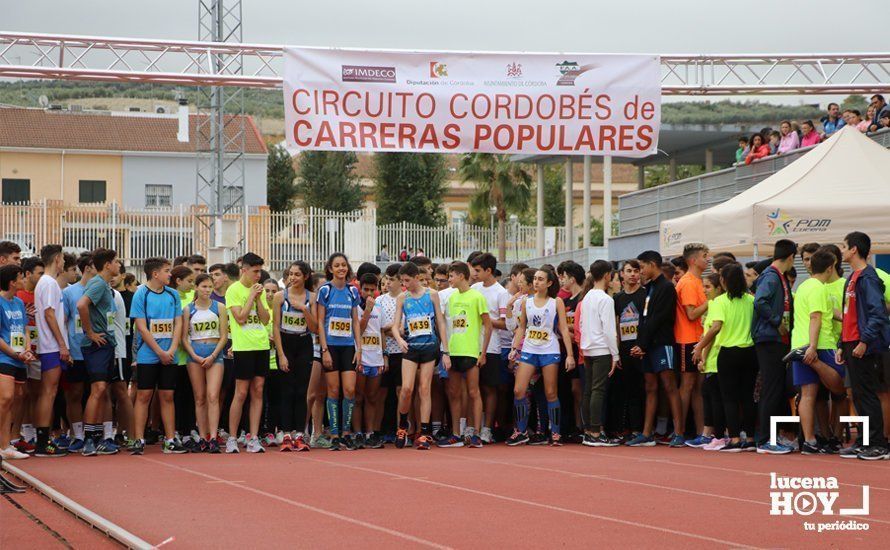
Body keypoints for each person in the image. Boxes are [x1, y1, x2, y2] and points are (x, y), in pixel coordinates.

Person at [786, 250, 846, 455]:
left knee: (808, 395)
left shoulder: (804, 286)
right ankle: (814, 362)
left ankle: (810, 441)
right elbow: (816, 317)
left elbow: (831, 312)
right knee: (840, 388)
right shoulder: (820, 288)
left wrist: (850, 320)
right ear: (830, 268)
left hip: (799, 343)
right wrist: (812, 347)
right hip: (819, 344)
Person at [838, 232, 890, 460]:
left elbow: (878, 314)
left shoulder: (868, 278)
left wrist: (864, 341)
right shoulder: (852, 277)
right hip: (850, 342)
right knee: (857, 395)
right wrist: (842, 343)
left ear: (854, 250)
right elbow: (849, 314)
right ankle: (864, 440)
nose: (841, 250)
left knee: (867, 394)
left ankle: (878, 443)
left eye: (843, 246)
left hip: (863, 344)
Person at [694, 263, 756, 452]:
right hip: (750, 352)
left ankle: (735, 438)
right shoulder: (751, 300)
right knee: (747, 397)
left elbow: (716, 327)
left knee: (729, 398)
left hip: (728, 352)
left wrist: (700, 347)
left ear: (723, 281)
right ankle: (751, 437)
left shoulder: (720, 302)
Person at [508, 268, 574, 446]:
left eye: (541, 279)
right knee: (518, 390)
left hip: (549, 350)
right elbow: (522, 327)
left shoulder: (556, 302)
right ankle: (521, 431)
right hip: (529, 349)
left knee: (550, 392)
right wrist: (515, 348)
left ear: (550, 283)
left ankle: (556, 433)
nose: (536, 282)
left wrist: (570, 355)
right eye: (535, 279)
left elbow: (563, 329)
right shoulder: (526, 302)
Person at [130, 257, 186, 455]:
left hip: (170, 354)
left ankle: (170, 439)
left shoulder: (172, 295)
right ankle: (138, 439)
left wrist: (171, 349)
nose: (170, 274)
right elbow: (141, 327)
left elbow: (178, 323)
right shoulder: (141, 294)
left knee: (167, 395)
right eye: (166, 271)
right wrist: (159, 352)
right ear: (155, 274)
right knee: (144, 395)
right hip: (148, 354)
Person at [627, 251, 683, 447]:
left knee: (669, 386)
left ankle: (679, 432)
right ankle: (646, 433)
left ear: (652, 264)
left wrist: (642, 343)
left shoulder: (667, 287)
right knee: (650, 387)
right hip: (647, 345)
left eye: (642, 267)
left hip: (663, 343)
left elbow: (660, 318)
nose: (640, 271)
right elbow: (643, 319)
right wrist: (640, 344)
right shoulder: (648, 288)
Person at [392, 262, 450, 450]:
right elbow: (395, 324)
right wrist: (399, 339)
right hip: (410, 348)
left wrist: (445, 351)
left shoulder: (432, 295)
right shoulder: (402, 297)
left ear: (417, 277)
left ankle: (424, 433)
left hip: (429, 347)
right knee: (407, 389)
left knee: (425, 388)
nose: (405, 284)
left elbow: (440, 322)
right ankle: (402, 426)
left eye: (407, 280)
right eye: (402, 281)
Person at [438, 262, 491, 448]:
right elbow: (448, 325)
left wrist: (482, 352)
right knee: (454, 393)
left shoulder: (477, 297)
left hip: (471, 351)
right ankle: (456, 434)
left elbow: (488, 325)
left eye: (451, 276)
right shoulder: (451, 298)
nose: (449, 280)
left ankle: (476, 434)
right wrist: (446, 351)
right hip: (454, 351)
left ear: (461, 276)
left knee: (473, 392)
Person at [752, 239, 797, 454]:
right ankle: (765, 440)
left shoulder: (777, 277)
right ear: (790, 257)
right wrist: (777, 320)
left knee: (776, 389)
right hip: (769, 339)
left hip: (776, 339)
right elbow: (759, 302)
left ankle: (771, 436)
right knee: (771, 389)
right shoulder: (771, 276)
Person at [76, 248, 121, 456]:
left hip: (106, 343)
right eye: (117, 262)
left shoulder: (104, 285)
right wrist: (90, 332)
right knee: (99, 388)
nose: (119, 265)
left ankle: (99, 438)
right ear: (107, 265)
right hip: (97, 344)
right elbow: (81, 305)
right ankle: (88, 439)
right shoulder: (97, 283)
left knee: (103, 390)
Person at [224, 253, 271, 454]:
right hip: (243, 347)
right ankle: (233, 438)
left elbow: (266, 319)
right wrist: (251, 295)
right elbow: (240, 318)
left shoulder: (259, 291)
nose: (258, 275)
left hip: (261, 345)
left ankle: (253, 437)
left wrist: (259, 299)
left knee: (258, 390)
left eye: (260, 271)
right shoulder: (234, 290)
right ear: (244, 270)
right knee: (241, 392)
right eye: (255, 271)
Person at [316, 253, 362, 451]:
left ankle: (346, 432)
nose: (341, 268)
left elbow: (355, 321)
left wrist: (359, 348)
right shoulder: (325, 290)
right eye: (337, 265)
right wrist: (324, 349)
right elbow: (319, 321)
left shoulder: (353, 291)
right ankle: (334, 433)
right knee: (333, 390)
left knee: (350, 390)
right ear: (330, 268)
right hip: (331, 347)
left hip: (348, 347)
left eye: (344, 265)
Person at [181, 273, 229, 453]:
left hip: (215, 354)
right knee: (200, 397)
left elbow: (224, 335)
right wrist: (194, 355)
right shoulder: (188, 309)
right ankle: (202, 437)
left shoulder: (220, 307)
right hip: (195, 354)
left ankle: (213, 437)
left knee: (213, 396)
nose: (207, 290)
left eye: (210, 287)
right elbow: (184, 337)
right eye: (204, 287)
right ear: (196, 288)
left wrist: (213, 355)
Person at [271, 261, 316, 452]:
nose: (293, 278)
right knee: (287, 391)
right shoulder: (280, 297)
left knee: (301, 391)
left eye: (297, 274)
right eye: (290, 274)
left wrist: (304, 309)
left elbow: (314, 328)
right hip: (286, 344)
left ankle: (300, 434)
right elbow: (275, 327)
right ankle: (286, 433)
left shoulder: (312, 297)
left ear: (305, 276)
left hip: (304, 343)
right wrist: (281, 354)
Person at [33, 245, 70, 457]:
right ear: (57, 259)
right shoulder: (49, 283)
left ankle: (43, 440)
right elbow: (49, 314)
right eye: (63, 259)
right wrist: (62, 344)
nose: (64, 263)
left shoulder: (47, 284)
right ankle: (42, 442)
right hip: (51, 346)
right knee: (49, 392)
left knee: (49, 392)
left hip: (51, 345)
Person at [578, 260, 619, 446]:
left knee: (589, 390)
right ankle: (595, 431)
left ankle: (588, 430)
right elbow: (609, 330)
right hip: (602, 348)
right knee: (598, 390)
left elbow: (581, 325)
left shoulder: (586, 298)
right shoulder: (606, 299)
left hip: (587, 348)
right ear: (606, 275)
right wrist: (615, 354)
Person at [470, 253, 509, 443]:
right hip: (471, 346)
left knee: (489, 388)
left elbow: (504, 323)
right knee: (473, 388)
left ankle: (487, 428)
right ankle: (473, 426)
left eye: (478, 270)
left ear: (489, 271)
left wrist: (485, 320)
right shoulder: (474, 288)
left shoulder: (501, 292)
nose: (474, 274)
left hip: (492, 347)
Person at [675, 244, 710, 445]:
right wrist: (711, 301)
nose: (708, 260)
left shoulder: (697, 281)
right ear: (693, 260)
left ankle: (700, 431)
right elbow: (691, 314)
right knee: (687, 385)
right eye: (705, 256)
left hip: (699, 338)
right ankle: (679, 431)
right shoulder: (688, 282)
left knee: (698, 386)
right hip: (687, 339)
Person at [0, 265, 34, 460]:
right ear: (12, 282)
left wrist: (27, 349)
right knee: (5, 399)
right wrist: (14, 353)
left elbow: (25, 329)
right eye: (21, 277)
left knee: (13, 401)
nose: (24, 280)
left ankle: (6, 445)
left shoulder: (19, 303)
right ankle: (3, 444)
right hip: (5, 357)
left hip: (20, 359)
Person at [61, 254, 94, 453]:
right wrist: (65, 348)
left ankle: (96, 433)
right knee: (74, 393)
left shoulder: (103, 290)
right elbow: (63, 321)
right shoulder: (69, 292)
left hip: (97, 351)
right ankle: (77, 434)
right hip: (76, 350)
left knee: (98, 392)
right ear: (88, 268)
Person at [613, 260, 646, 441]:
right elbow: (616, 325)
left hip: (641, 349)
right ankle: (632, 429)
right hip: (625, 350)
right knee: (629, 390)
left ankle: (646, 429)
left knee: (644, 389)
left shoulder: (645, 295)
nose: (632, 274)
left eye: (635, 270)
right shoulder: (617, 299)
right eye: (628, 271)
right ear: (622, 275)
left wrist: (642, 345)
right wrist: (616, 352)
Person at [694, 273, 727, 450]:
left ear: (718, 288)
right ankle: (714, 434)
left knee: (715, 397)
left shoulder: (717, 304)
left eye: (708, 287)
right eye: (703, 286)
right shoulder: (716, 304)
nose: (704, 290)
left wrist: (702, 354)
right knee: (710, 394)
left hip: (715, 358)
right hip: (714, 357)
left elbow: (713, 333)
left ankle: (718, 436)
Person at [354, 273, 384, 448]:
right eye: (366, 289)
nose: (369, 293)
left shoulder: (379, 307)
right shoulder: (356, 307)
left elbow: (381, 332)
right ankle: (358, 432)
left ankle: (370, 432)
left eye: (373, 289)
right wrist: (367, 311)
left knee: (372, 397)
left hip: (376, 358)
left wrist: (384, 355)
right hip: (361, 358)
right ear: (360, 289)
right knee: (358, 397)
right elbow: (360, 328)